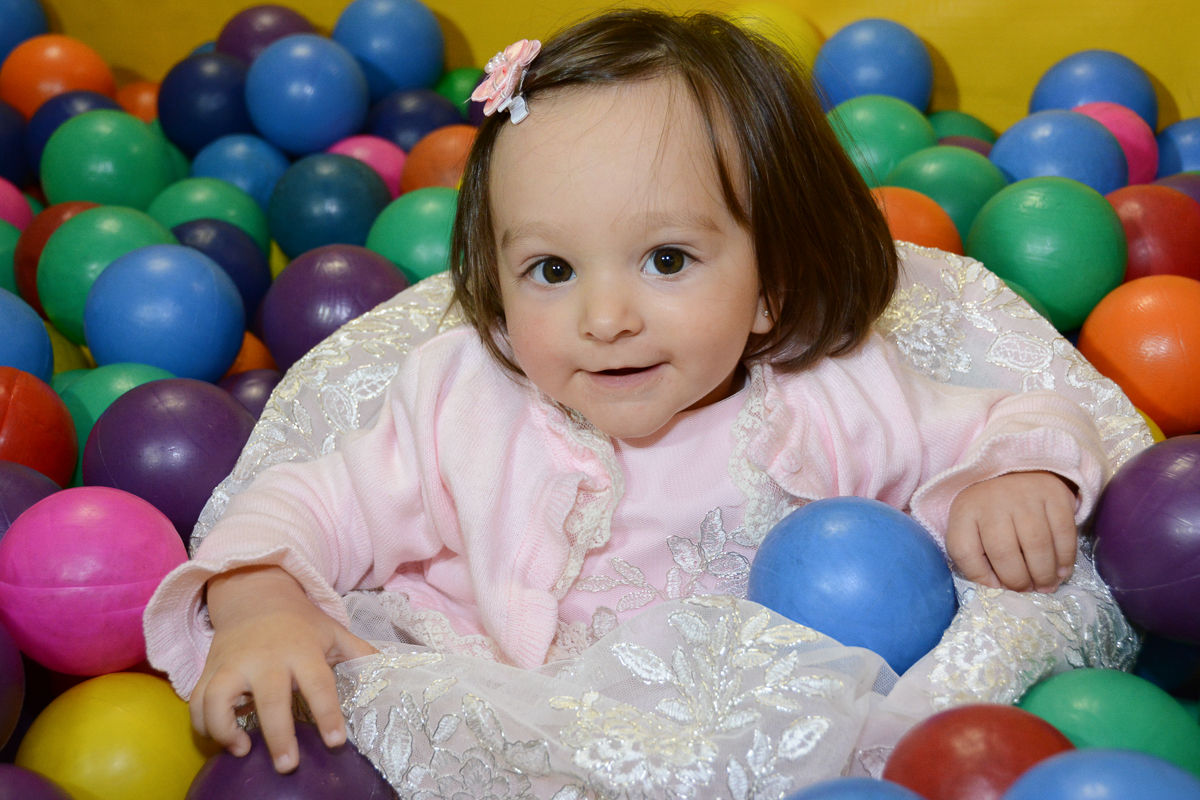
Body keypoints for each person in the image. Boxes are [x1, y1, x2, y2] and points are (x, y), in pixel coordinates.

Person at [144, 9, 1143, 796]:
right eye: (550, 268)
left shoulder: (827, 395)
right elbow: (300, 504)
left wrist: (1018, 475)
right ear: (493, 276)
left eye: (667, 258)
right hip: (526, 730)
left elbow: (1009, 413)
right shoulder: (465, 404)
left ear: (772, 289)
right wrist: (261, 603)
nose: (606, 315)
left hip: (777, 752)